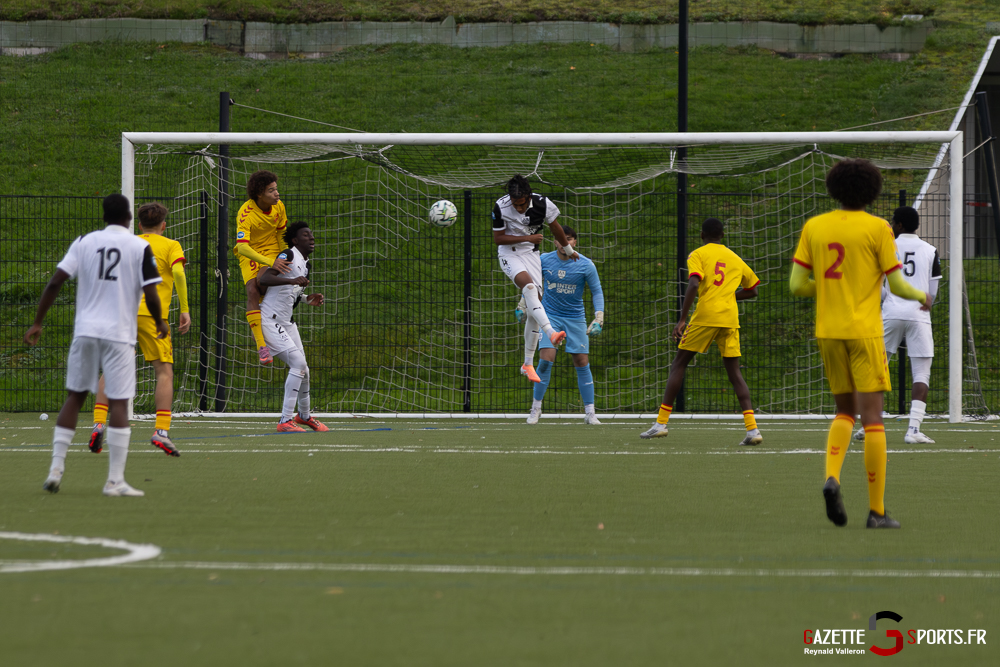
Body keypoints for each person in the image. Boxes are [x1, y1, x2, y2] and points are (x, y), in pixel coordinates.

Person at [789, 159, 932, 529]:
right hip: (865, 332)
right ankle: (877, 512)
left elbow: (796, 286)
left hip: (829, 332)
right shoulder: (878, 228)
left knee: (843, 412)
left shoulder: (814, 227)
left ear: (834, 188)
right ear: (872, 191)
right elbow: (898, 285)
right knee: (873, 421)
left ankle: (832, 476)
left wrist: (828, 288)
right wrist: (922, 295)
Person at [24, 194, 167, 497]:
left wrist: (37, 322)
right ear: (130, 218)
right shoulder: (139, 246)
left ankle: (55, 468)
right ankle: (114, 481)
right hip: (119, 333)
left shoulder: (84, 242)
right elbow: (151, 292)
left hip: (86, 331)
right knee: (118, 402)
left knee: (74, 397)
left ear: (104, 216)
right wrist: (159, 322)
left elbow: (55, 282)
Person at [640, 218, 763, 446]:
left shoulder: (697, 254)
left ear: (701, 234)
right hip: (730, 320)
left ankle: (660, 424)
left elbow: (695, 284)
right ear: (723, 235)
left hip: (707, 316)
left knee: (679, 364)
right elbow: (753, 290)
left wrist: (682, 319)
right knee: (735, 373)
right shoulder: (735, 258)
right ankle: (753, 430)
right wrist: (727, 296)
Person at [89, 202, 189, 457]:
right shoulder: (171, 245)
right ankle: (161, 432)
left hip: (120, 313)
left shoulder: (127, 243)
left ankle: (99, 423)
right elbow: (178, 272)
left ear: (140, 225)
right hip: (151, 316)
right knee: (164, 371)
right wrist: (184, 309)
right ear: (164, 225)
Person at [853, 206, 940, 444]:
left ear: (899, 225)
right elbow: (932, 293)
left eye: (893, 222)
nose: (891, 226)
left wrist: (890, 298)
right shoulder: (931, 250)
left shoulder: (886, 247)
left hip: (890, 313)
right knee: (921, 373)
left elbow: (875, 286)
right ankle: (913, 430)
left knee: (877, 368)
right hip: (919, 314)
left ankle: (869, 424)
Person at [492, 174, 575, 383]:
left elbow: (555, 226)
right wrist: (527, 237)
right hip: (509, 253)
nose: (518, 208)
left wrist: (566, 248)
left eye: (521, 204)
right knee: (529, 289)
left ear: (528, 196)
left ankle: (527, 364)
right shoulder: (500, 207)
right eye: (515, 204)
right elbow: (498, 238)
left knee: (532, 307)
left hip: (531, 254)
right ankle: (551, 332)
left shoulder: (542, 204)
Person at [522, 225, 605, 425]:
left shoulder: (586, 265)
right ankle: (536, 409)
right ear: (555, 242)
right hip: (550, 317)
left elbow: (597, 291)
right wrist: (522, 305)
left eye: (569, 239)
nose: (564, 243)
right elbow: (530, 284)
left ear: (575, 242)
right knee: (545, 361)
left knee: (582, 362)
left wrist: (599, 318)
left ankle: (590, 413)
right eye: (561, 239)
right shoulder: (543, 260)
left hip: (575, 318)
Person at [257, 222, 328, 433]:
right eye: (306, 235)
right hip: (270, 319)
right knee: (298, 363)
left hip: (287, 322)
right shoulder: (288, 255)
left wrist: (307, 299)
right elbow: (265, 278)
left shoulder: (306, 264)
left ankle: (304, 416)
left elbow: (292, 292)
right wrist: (291, 279)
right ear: (295, 240)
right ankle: (285, 421)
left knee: (304, 369)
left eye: (312, 234)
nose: (311, 237)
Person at [234, 170, 291, 365]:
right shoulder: (246, 213)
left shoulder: (279, 206)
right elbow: (242, 246)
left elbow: (281, 234)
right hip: (250, 251)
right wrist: (270, 262)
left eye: (276, 189)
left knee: (265, 288)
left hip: (273, 252)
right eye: (271, 190)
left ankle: (263, 327)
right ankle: (261, 345)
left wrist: (286, 256)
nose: (277, 194)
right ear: (259, 194)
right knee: (252, 290)